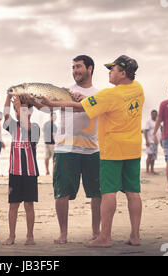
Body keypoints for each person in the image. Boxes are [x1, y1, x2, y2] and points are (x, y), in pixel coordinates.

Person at [40, 55, 144, 248]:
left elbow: (81, 107)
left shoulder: (109, 95)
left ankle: (104, 236)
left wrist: (53, 103)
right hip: (133, 149)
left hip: (112, 150)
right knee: (133, 192)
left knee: (107, 193)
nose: (110, 72)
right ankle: (135, 236)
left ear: (123, 73)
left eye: (113, 70)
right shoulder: (138, 89)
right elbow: (101, 104)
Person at [25, 55, 102, 244]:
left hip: (92, 149)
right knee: (61, 192)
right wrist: (32, 101)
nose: (75, 70)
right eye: (73, 67)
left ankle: (96, 231)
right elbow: (47, 108)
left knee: (96, 193)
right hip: (65, 148)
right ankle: (63, 234)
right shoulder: (64, 90)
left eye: (79, 66)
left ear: (90, 69)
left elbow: (83, 109)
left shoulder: (98, 94)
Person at [2, 94, 40, 246]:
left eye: (23, 111)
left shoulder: (35, 128)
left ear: (29, 113)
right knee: (13, 205)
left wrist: (19, 107)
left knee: (29, 205)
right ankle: (11, 236)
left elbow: (27, 126)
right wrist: (8, 96)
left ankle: (30, 236)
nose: (18, 113)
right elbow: (5, 114)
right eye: (17, 111)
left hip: (30, 173)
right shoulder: (13, 127)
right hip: (15, 173)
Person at [143, 110, 162, 175]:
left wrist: (161, 141)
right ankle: (147, 170)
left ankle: (152, 170)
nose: (154, 115)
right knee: (149, 155)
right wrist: (146, 140)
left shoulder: (158, 122)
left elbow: (160, 131)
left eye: (155, 114)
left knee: (154, 156)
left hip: (156, 142)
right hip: (150, 141)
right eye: (153, 114)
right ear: (151, 115)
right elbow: (145, 131)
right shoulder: (149, 122)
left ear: (157, 115)